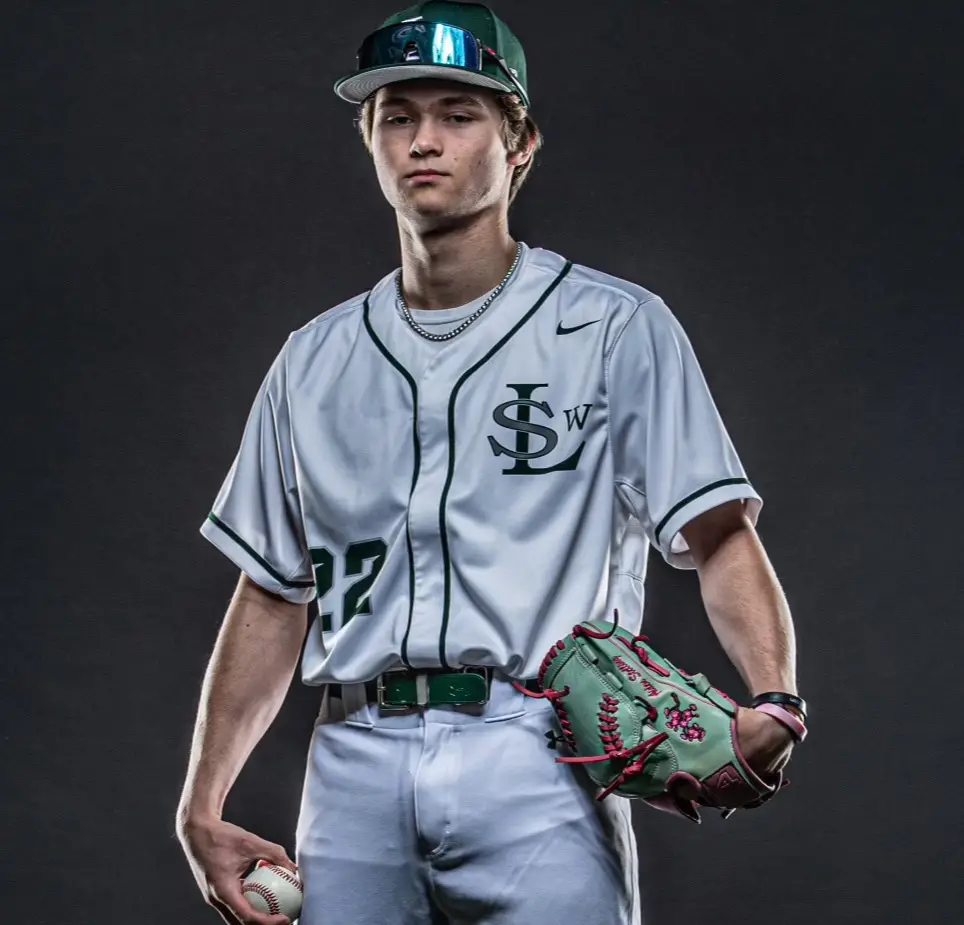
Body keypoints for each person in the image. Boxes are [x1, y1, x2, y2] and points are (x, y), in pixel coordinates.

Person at [175, 3, 804, 924]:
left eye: (459, 114)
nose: (424, 140)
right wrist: (201, 804)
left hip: (541, 751)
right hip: (354, 759)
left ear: (520, 144)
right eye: (397, 116)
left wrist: (776, 698)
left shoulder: (613, 327)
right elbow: (273, 592)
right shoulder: (310, 360)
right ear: (370, 141)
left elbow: (719, 534)